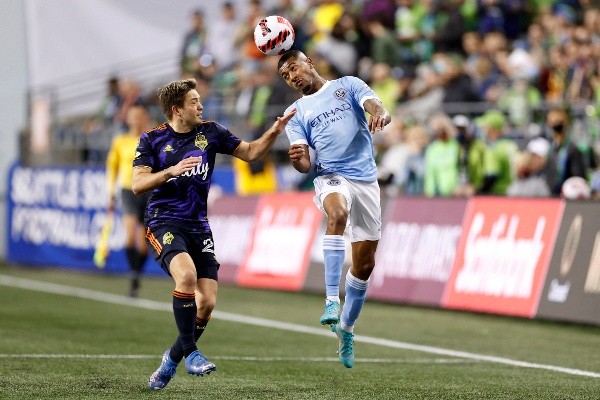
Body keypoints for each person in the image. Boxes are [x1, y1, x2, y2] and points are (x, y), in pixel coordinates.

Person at [132, 78, 295, 389]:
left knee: (206, 304)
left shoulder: (211, 132)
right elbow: (137, 184)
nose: (200, 106)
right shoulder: (152, 140)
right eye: (194, 102)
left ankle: (171, 360)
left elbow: (249, 153)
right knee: (187, 278)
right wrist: (170, 171)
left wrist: (275, 131)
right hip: (164, 222)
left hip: (198, 226)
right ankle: (192, 352)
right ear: (177, 110)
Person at [277, 50, 391, 368]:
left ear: (309, 63)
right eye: (285, 75)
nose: (292, 76)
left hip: (366, 180)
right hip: (330, 175)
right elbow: (304, 164)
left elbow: (376, 106)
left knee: (365, 265)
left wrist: (379, 113)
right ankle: (330, 300)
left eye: (294, 68)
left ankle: (347, 329)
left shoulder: (348, 85)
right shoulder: (295, 113)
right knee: (336, 215)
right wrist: (298, 159)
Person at [105, 105, 152, 297]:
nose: (136, 120)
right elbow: (112, 167)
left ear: (145, 118)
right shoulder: (120, 142)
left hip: (148, 191)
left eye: (139, 116)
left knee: (143, 244)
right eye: (132, 117)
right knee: (130, 235)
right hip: (128, 190)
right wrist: (110, 193)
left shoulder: (153, 140)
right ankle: (133, 276)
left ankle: (136, 273)